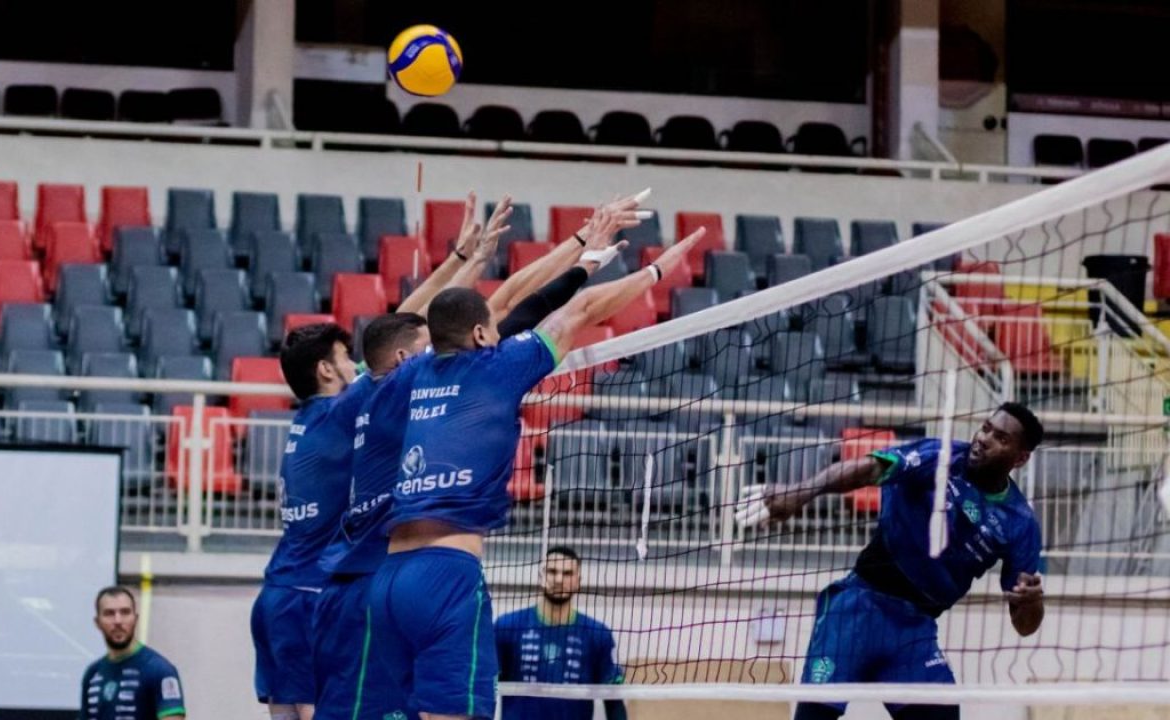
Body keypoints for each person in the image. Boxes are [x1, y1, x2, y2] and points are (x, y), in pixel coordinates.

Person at [366, 206, 705, 720]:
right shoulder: (497, 366)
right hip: (445, 574)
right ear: (482, 336)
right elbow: (580, 310)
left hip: (386, 579)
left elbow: (486, 308)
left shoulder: (403, 378)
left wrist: (582, 254)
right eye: (492, 331)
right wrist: (657, 270)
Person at [312, 194, 637, 720]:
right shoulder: (422, 378)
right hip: (376, 579)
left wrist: (475, 260)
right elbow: (502, 306)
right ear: (404, 357)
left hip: (366, 578)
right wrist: (584, 254)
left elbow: (489, 306)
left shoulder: (374, 389)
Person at [735, 403, 1047, 720]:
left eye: (1001, 438)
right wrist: (801, 491)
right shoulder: (940, 458)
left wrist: (1032, 603)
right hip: (859, 606)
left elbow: (1024, 624)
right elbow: (869, 468)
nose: (984, 438)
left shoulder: (1019, 523)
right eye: (986, 428)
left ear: (1020, 458)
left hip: (914, 628)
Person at [250, 322, 364, 720]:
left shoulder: (310, 417)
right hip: (306, 596)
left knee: (285, 714)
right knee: (317, 711)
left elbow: (396, 331)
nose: (355, 364)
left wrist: (459, 259)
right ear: (326, 370)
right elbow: (397, 348)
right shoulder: (338, 412)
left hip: (277, 594)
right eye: (347, 357)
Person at [495, 546, 626, 720]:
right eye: (552, 571)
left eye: (567, 573)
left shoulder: (598, 634)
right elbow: (485, 690)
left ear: (578, 581)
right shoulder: (506, 627)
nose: (558, 579)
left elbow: (614, 702)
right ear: (541, 577)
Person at [81, 586, 185, 720]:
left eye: (125, 612)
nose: (118, 621)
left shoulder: (160, 670)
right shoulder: (92, 673)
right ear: (97, 622)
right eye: (109, 613)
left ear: (135, 618)